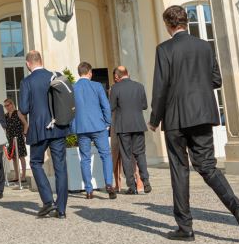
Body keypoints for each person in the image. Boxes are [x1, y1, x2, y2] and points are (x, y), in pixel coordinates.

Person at [149, 5, 239, 242]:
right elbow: (216, 79)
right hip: (202, 114)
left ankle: (185, 228)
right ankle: (237, 208)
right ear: (186, 22)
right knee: (207, 166)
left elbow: (161, 87)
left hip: (176, 116)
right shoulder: (204, 46)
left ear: (168, 24)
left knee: (179, 169)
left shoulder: (164, 49)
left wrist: (154, 119)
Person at [18, 50, 69, 219]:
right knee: (60, 167)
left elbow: (24, 109)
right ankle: (61, 210)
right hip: (58, 126)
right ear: (41, 60)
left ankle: (48, 200)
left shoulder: (27, 81)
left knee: (35, 162)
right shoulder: (55, 75)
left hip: (39, 128)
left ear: (28, 64)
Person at [72, 62, 117, 199]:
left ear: (79, 72)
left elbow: (70, 111)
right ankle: (109, 184)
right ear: (90, 72)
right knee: (105, 155)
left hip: (82, 128)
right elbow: (106, 106)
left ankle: (89, 190)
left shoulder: (73, 88)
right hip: (99, 126)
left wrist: (74, 127)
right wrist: (108, 122)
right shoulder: (97, 86)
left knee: (85, 159)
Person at [109, 65, 151, 194]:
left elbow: (112, 107)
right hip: (138, 125)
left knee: (126, 156)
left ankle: (132, 186)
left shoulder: (115, 88)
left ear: (117, 76)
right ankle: (146, 181)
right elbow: (144, 106)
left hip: (123, 126)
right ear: (128, 73)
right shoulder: (139, 86)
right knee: (140, 154)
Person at [2, 98, 27, 183]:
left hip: (18, 137)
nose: (7, 107)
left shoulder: (18, 113)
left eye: (8, 105)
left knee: (21, 157)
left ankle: (23, 176)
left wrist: (24, 133)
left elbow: (25, 124)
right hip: (10, 138)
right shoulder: (5, 116)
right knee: (13, 158)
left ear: (12, 104)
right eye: (5, 106)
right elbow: (5, 128)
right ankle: (17, 176)